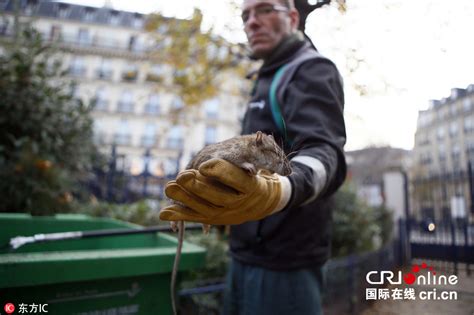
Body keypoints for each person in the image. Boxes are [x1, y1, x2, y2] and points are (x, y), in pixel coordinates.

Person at [160, 0, 346, 313]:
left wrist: (280, 190)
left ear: (293, 17)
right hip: (243, 254)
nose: (251, 22)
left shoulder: (310, 69)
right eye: (245, 15)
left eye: (264, 9)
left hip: (286, 264)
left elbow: (325, 153)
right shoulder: (264, 77)